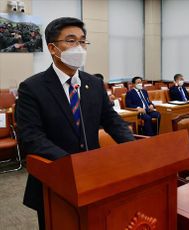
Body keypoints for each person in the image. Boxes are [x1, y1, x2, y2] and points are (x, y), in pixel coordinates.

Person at [16, 17, 135, 230]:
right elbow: (32, 138)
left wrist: (136, 148)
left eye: (82, 41)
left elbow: (112, 121)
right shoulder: (32, 88)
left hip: (95, 176)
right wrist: (72, 164)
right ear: (53, 48)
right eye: (71, 41)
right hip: (54, 181)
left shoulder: (94, 83)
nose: (79, 47)